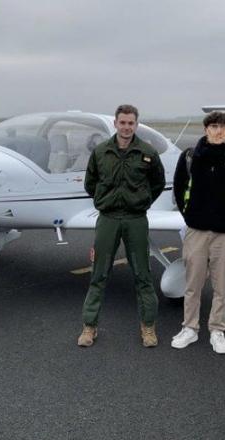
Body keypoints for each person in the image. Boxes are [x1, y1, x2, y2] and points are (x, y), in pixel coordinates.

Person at [171, 111, 225, 354]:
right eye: (214, 126)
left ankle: (217, 330)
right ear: (206, 129)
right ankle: (190, 327)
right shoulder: (189, 157)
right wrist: (189, 216)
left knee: (222, 286)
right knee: (193, 283)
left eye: (224, 127)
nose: (219, 131)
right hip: (196, 231)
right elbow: (179, 189)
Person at [79, 104, 166, 348]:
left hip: (136, 220)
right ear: (116, 124)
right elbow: (90, 183)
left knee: (142, 275)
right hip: (107, 219)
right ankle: (89, 326)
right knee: (99, 273)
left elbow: (157, 183)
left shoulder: (147, 153)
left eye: (131, 123)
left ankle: (148, 328)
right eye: (123, 122)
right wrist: (105, 200)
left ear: (136, 125)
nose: (126, 127)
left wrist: (142, 201)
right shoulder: (100, 152)